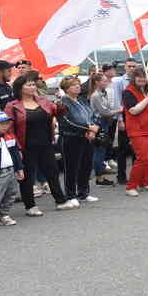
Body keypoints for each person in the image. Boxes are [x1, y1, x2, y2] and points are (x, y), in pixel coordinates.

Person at [5, 74, 74, 213]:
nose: (32, 87)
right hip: (25, 146)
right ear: (20, 88)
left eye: (33, 84)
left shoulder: (43, 101)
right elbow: (9, 129)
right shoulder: (12, 106)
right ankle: (30, 206)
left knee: (52, 172)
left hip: (46, 143)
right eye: (28, 85)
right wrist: (16, 147)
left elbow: (59, 113)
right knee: (27, 177)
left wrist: (61, 104)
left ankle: (60, 201)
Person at [58, 76, 100, 204]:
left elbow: (91, 115)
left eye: (78, 84)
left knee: (86, 165)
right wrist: (87, 128)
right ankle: (71, 195)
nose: (77, 87)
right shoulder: (62, 103)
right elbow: (67, 122)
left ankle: (83, 192)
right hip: (71, 138)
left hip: (87, 137)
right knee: (71, 167)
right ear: (66, 89)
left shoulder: (82, 100)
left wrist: (93, 127)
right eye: (73, 85)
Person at [122, 68, 148, 196]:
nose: (142, 79)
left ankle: (144, 182)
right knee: (142, 157)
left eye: (144, 77)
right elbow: (133, 110)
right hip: (138, 130)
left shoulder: (147, 91)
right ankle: (131, 186)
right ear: (134, 78)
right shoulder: (128, 92)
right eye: (139, 77)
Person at [88, 73, 120, 186]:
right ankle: (99, 178)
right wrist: (118, 111)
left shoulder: (103, 93)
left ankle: (100, 173)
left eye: (106, 81)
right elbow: (104, 112)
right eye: (104, 81)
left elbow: (107, 108)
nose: (106, 83)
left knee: (103, 149)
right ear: (97, 82)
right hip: (99, 123)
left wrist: (112, 111)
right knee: (99, 151)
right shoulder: (95, 95)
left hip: (105, 122)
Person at [112, 58, 139, 184]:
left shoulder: (139, 80)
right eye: (129, 66)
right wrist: (120, 120)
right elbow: (118, 101)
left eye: (134, 66)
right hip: (124, 115)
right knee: (123, 148)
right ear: (125, 67)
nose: (132, 69)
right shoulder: (119, 82)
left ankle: (135, 174)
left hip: (137, 116)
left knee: (136, 148)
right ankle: (121, 175)